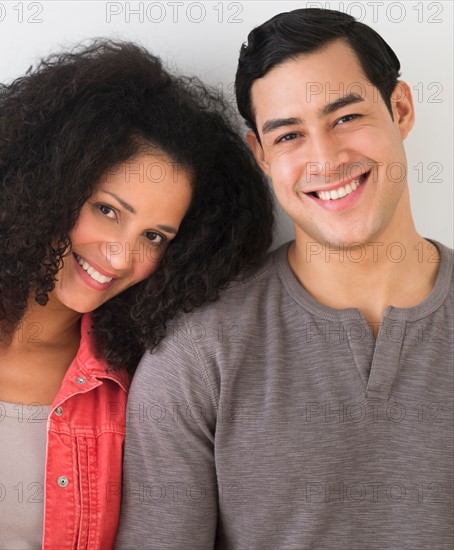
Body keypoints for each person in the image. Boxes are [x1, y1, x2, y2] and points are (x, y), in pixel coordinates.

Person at [0, 41, 274, 549]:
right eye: (107, 210)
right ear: (45, 187)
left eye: (154, 237)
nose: (121, 257)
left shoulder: (141, 390)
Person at [116, 8, 453, 549]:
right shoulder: (195, 355)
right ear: (261, 156)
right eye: (290, 134)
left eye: (345, 118)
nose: (325, 159)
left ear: (401, 109)